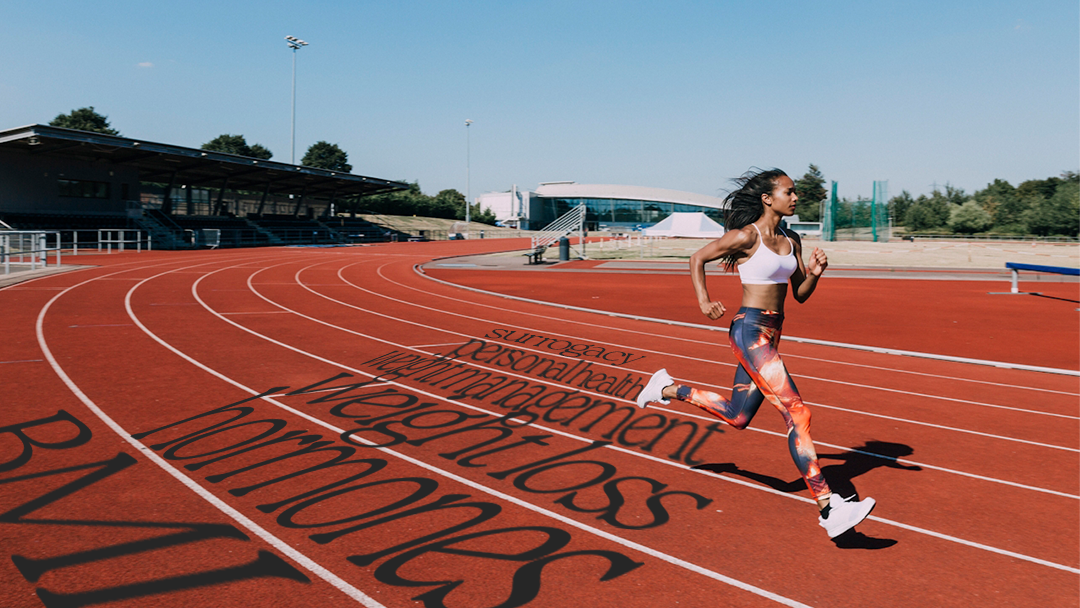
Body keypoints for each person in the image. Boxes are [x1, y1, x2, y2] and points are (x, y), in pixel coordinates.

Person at [635, 168, 875, 539]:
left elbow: (800, 294)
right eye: (789, 192)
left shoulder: (791, 238)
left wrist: (814, 272)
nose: (796, 198)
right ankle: (829, 506)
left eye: (796, 193)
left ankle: (665, 389)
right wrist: (704, 300)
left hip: (772, 333)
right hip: (748, 330)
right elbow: (697, 259)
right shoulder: (747, 236)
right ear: (768, 198)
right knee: (797, 410)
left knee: (738, 415)